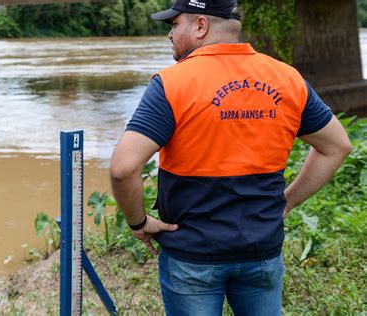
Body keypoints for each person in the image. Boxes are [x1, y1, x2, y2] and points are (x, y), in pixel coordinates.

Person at [109, 0, 353, 314]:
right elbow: (337, 146)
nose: (170, 35)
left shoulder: (172, 84)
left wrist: (138, 222)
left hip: (191, 255)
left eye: (174, 24)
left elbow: (123, 168)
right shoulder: (287, 78)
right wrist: (287, 202)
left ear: (200, 26)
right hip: (262, 250)